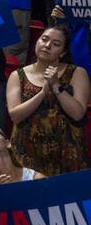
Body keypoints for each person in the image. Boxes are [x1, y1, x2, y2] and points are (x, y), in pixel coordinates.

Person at [6, 24, 90, 175]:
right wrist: (43, 92)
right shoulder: (17, 75)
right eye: (44, 39)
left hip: (67, 154)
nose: (47, 45)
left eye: (56, 44)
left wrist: (56, 86)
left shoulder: (77, 73)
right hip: (27, 153)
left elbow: (78, 113)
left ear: (63, 52)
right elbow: (15, 115)